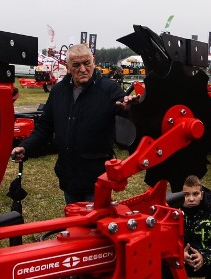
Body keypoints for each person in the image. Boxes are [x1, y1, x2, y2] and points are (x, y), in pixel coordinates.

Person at [10, 44, 139, 203]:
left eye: (87, 63)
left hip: (97, 178)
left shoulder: (109, 89)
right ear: (68, 67)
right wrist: (26, 146)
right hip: (68, 176)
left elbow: (126, 111)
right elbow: (44, 127)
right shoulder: (58, 91)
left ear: (93, 62)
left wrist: (130, 108)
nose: (83, 69)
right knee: (73, 223)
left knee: (93, 225)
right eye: (76, 65)